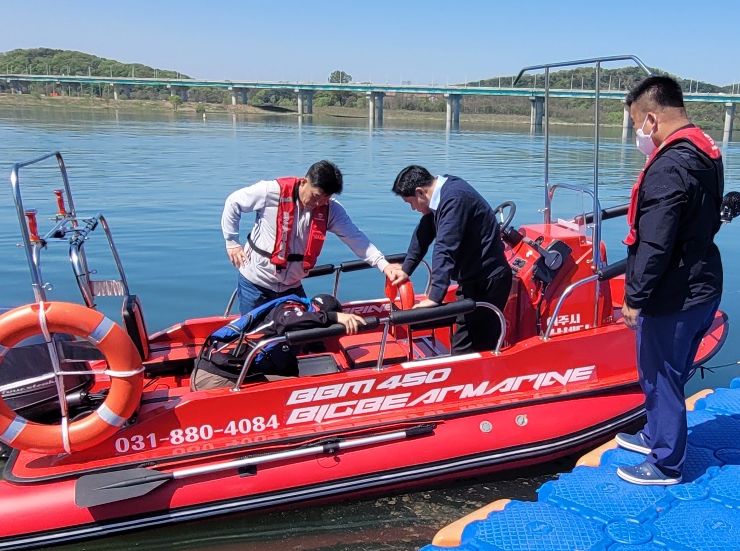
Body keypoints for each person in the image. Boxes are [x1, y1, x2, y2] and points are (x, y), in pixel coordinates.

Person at [612, 76, 725, 486]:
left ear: (651, 118)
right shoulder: (705, 151)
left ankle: (665, 464)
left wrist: (635, 297)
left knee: (659, 374)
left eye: (636, 124)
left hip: (674, 292)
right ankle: (655, 434)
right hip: (704, 281)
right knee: (669, 371)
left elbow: (656, 241)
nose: (638, 134)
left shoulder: (669, 166)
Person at [222, 160, 408, 314]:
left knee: (296, 336)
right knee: (252, 336)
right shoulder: (270, 192)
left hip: (291, 286)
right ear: (304, 182)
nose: (318, 203)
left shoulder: (331, 210)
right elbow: (233, 202)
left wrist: (384, 265)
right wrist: (232, 242)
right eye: (316, 196)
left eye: (325, 199)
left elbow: (356, 239)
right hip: (256, 282)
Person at [389, 166, 512, 353]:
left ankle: (476, 378)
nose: (413, 208)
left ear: (420, 192)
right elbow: (424, 232)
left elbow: (445, 247)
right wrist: (407, 268)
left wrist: (434, 297)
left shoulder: (455, 199)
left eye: (411, 203)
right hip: (471, 279)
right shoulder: (441, 193)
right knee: (464, 337)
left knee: (467, 347)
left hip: (487, 282)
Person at [191, 294, 368, 390]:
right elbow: (289, 320)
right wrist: (334, 317)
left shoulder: (293, 318)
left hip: (218, 371)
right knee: (298, 389)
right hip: (217, 378)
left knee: (292, 378)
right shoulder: (289, 307)